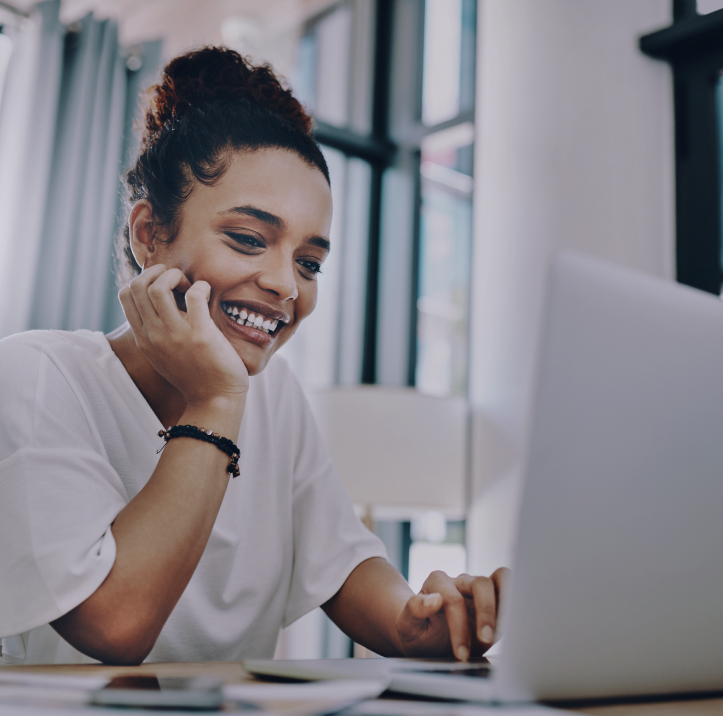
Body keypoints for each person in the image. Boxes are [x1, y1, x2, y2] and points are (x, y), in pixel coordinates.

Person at [0, 47, 506, 666]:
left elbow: (345, 562)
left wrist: (419, 623)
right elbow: (115, 624)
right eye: (248, 239)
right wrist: (214, 401)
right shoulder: (38, 378)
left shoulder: (276, 397)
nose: (286, 286)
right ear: (149, 235)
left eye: (309, 262)